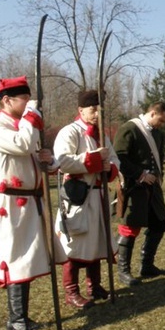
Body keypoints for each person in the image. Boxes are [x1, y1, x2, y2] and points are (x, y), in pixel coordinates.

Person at [0, 76, 66, 330]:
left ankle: (18, 318)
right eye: (23, 100)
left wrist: (46, 160)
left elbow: (30, 151)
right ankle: (19, 329)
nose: (28, 104)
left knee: (28, 261)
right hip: (10, 204)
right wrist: (32, 117)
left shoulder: (21, 125)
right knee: (16, 261)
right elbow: (21, 144)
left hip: (31, 202)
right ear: (7, 100)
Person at [53, 90, 120, 308]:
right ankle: (71, 291)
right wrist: (92, 159)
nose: (96, 113)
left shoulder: (101, 135)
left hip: (98, 195)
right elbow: (62, 161)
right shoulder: (70, 132)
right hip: (79, 197)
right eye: (92, 109)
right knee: (74, 244)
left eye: (99, 110)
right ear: (81, 110)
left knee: (98, 241)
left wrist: (109, 167)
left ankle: (95, 286)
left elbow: (113, 159)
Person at [113, 101, 165, 285]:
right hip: (133, 187)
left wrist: (157, 177)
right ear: (153, 113)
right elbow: (118, 157)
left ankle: (147, 265)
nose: (162, 125)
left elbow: (159, 158)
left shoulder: (158, 134)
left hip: (153, 187)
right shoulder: (129, 129)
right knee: (130, 228)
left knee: (159, 224)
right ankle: (124, 272)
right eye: (160, 120)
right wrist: (140, 174)